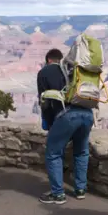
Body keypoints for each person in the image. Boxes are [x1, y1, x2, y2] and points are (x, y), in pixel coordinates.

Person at [37, 48, 94, 204]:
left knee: (53, 153)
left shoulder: (45, 72)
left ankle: (57, 194)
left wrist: (49, 124)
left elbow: (44, 101)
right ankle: (80, 190)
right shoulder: (73, 70)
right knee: (81, 152)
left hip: (67, 116)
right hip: (87, 114)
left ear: (48, 60)